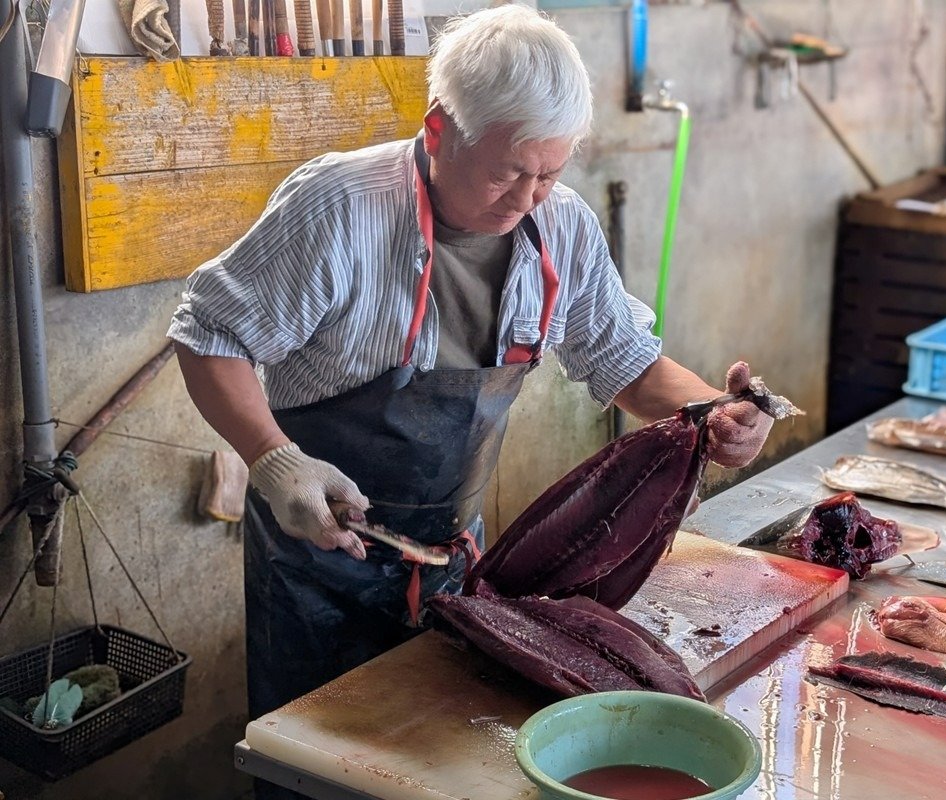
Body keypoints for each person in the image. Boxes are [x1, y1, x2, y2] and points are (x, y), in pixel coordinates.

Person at [168, 3, 772, 743]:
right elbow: (210, 333)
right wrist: (274, 459)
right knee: (314, 759)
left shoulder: (562, 227)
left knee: (437, 752)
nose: (525, 200)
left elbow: (626, 361)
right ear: (438, 132)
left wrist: (715, 412)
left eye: (548, 174)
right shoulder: (338, 207)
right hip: (314, 560)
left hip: (452, 557)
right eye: (506, 173)